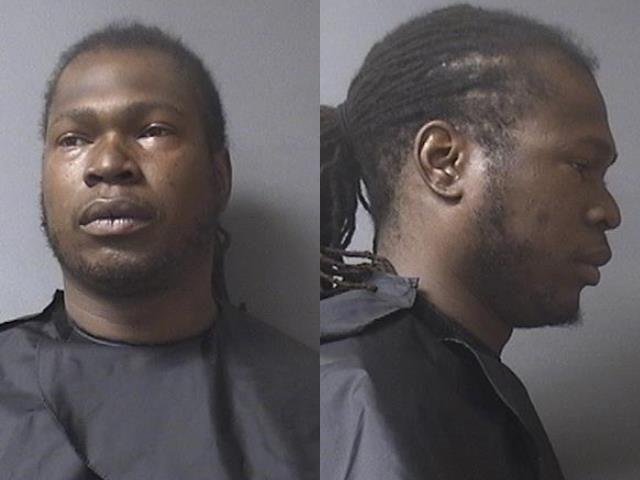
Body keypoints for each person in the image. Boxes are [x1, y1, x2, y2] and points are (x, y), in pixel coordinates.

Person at [0, 22, 317, 479]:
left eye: (153, 130)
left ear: (219, 176)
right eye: (74, 139)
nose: (108, 164)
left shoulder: (317, 406)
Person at [320, 4, 620, 480]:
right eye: (582, 166)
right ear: (445, 161)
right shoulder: (360, 393)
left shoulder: (446, 377)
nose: (609, 212)